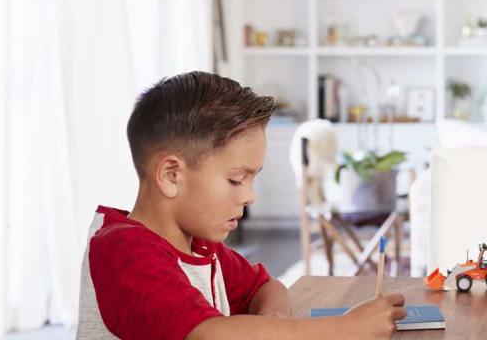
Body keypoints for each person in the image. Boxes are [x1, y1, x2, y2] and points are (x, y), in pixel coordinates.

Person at [76, 72, 407, 339]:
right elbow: (209, 334)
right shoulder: (122, 251)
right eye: (236, 180)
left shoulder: (202, 246)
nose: (250, 197)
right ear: (171, 175)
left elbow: (266, 286)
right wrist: (343, 330)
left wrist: (273, 324)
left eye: (252, 180)